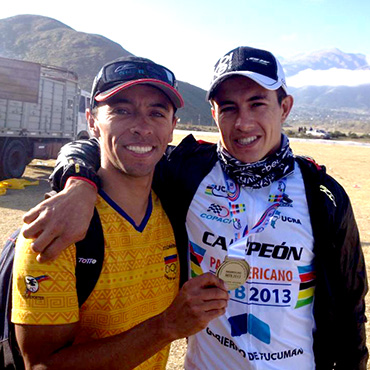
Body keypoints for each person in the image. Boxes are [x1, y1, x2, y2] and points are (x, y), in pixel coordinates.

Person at [22, 47, 368, 369]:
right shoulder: (189, 172)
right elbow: (118, 146)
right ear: (215, 113)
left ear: (285, 107)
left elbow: (351, 306)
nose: (243, 123)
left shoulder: (323, 196)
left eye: (257, 104)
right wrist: (80, 181)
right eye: (229, 107)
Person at [11, 56, 229, 370]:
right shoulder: (59, 228)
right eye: (122, 110)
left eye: (157, 112)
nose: (142, 127)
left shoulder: (176, 208)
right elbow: (42, 367)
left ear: (172, 128)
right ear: (92, 121)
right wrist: (166, 327)